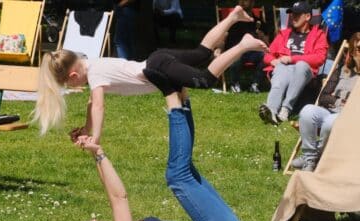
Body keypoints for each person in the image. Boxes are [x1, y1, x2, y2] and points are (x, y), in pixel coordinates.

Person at [13, 90, 247, 221]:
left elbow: (109, 189)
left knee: (186, 171)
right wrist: (100, 152)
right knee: (177, 175)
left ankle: (181, 96)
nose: (92, 220)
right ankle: (171, 94)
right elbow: (119, 197)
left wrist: (95, 151)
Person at [33, 6, 268, 143]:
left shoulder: (94, 74)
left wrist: (95, 137)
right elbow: (91, 103)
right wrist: (85, 128)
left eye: (70, 83)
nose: (76, 86)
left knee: (205, 79)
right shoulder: (92, 63)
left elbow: (98, 107)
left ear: (73, 75)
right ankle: (232, 16)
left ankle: (243, 45)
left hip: (156, 68)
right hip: (156, 60)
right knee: (201, 52)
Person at [292, 32, 360, 171]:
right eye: (358, 49)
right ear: (352, 52)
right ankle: (310, 158)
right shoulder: (342, 69)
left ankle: (315, 157)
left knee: (330, 122)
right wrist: (340, 101)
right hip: (332, 110)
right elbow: (324, 96)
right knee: (307, 111)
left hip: (351, 117)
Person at [259, 1, 328, 125]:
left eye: (297, 14)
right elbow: (267, 54)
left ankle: (285, 109)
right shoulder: (284, 34)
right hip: (283, 67)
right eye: (292, 14)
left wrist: (292, 59)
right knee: (280, 69)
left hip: (304, 71)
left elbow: (320, 58)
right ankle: (271, 110)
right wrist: (272, 60)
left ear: (307, 17)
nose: (293, 17)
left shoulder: (318, 35)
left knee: (300, 65)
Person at [218, 0, 270, 93]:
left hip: (253, 52)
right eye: (240, 0)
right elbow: (222, 36)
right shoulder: (232, 20)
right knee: (237, 55)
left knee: (266, 56)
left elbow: (268, 44)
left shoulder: (258, 22)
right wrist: (219, 50)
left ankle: (255, 84)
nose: (242, 2)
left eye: (245, 0)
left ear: (252, 3)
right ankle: (235, 84)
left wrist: (262, 36)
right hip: (235, 51)